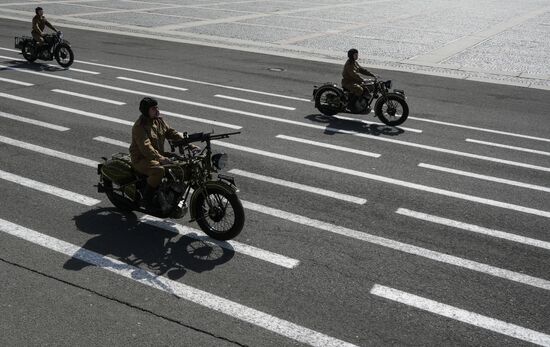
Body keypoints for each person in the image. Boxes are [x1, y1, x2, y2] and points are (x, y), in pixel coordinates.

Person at [129, 97, 185, 209]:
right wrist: (161, 158)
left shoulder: (159, 121)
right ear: (146, 111)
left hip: (157, 155)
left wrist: (188, 144)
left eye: (157, 107)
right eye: (153, 108)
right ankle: (147, 200)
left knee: (182, 163)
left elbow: (171, 133)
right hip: (141, 159)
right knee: (159, 170)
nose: (157, 109)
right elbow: (146, 147)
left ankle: (171, 193)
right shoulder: (139, 127)